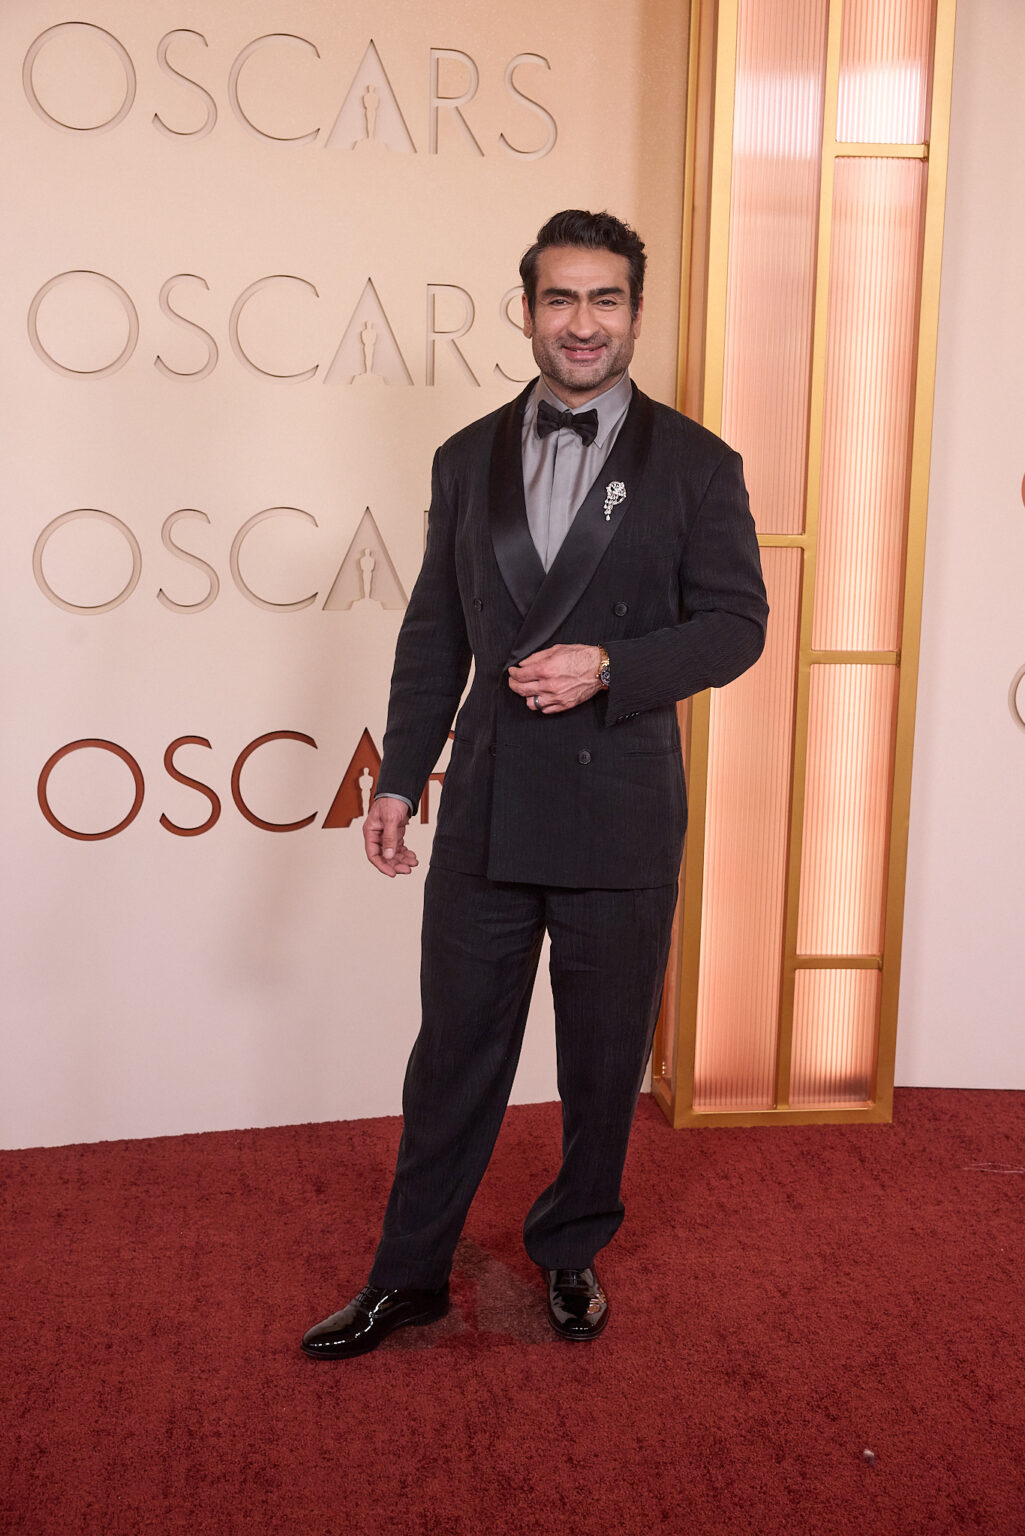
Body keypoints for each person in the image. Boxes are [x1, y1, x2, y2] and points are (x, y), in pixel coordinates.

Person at [301, 210, 768, 1360]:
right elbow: (433, 632)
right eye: (558, 299)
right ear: (525, 312)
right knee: (452, 1052)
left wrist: (613, 665)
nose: (581, 322)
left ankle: (568, 1251)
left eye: (604, 300)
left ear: (635, 316)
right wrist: (400, 777)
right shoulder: (463, 457)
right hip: (492, 804)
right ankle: (407, 1276)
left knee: (603, 1056)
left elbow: (736, 627)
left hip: (621, 806)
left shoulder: (697, 464)